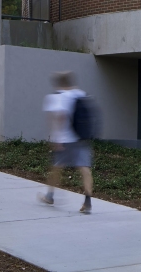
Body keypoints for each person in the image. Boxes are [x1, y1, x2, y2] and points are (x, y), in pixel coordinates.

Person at [39, 71, 93, 214]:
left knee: (57, 167)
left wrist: (56, 138)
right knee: (84, 168)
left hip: (65, 140)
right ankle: (87, 201)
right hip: (81, 138)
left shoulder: (56, 97)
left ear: (59, 83)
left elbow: (59, 117)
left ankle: (49, 196)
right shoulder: (81, 94)